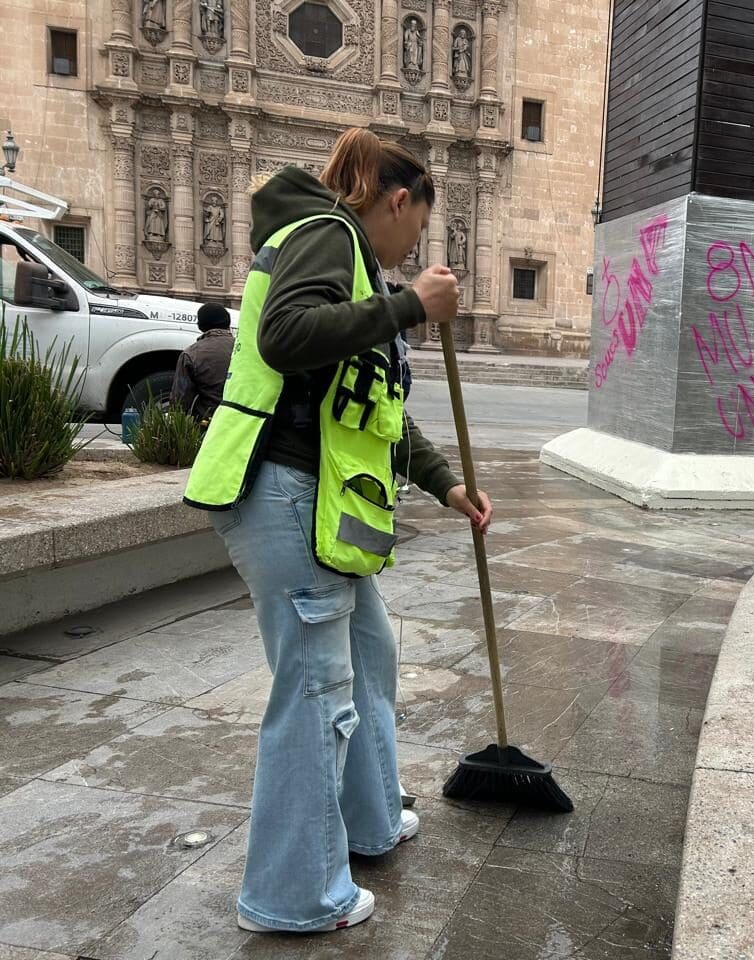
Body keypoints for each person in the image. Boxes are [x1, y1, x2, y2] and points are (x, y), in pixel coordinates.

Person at [183, 128, 493, 935]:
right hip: (284, 491)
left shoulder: (355, 264)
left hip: (319, 503)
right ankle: (294, 895)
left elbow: (375, 409)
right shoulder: (327, 234)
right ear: (396, 202)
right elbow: (285, 338)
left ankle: (369, 821)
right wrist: (409, 305)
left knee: (369, 654)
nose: (411, 249)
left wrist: (447, 484)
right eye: (415, 229)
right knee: (315, 692)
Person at [172, 303, 234, 423]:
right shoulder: (245, 348)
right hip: (246, 424)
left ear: (201, 326)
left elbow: (180, 401)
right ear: (228, 323)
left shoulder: (191, 354)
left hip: (209, 425)